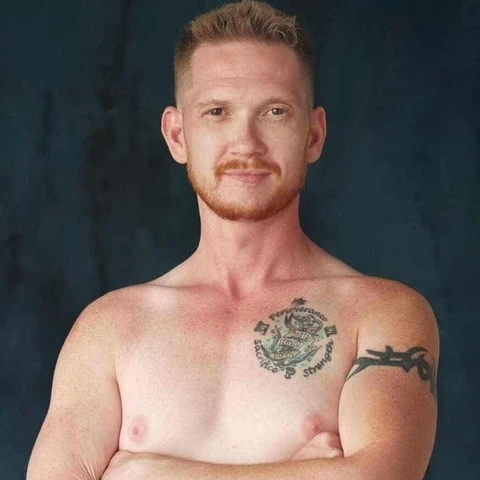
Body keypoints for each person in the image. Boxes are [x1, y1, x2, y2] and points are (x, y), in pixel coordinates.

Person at [27, 1, 439, 479]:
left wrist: (144, 472)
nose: (246, 143)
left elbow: (380, 476)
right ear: (177, 135)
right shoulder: (109, 329)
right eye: (217, 112)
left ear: (313, 135)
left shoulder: (382, 315)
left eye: (275, 111)